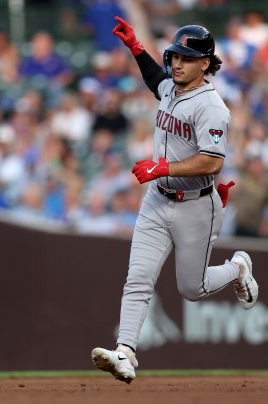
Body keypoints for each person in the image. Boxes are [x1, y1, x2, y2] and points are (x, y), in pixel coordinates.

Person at [90, 16, 259, 384]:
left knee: (191, 289)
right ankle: (126, 353)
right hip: (157, 200)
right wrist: (136, 47)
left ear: (205, 63)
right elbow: (155, 80)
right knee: (137, 278)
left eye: (185, 58)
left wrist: (162, 167)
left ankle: (238, 268)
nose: (176, 63)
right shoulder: (172, 89)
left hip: (197, 204)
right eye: (173, 56)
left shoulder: (212, 106)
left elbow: (213, 162)